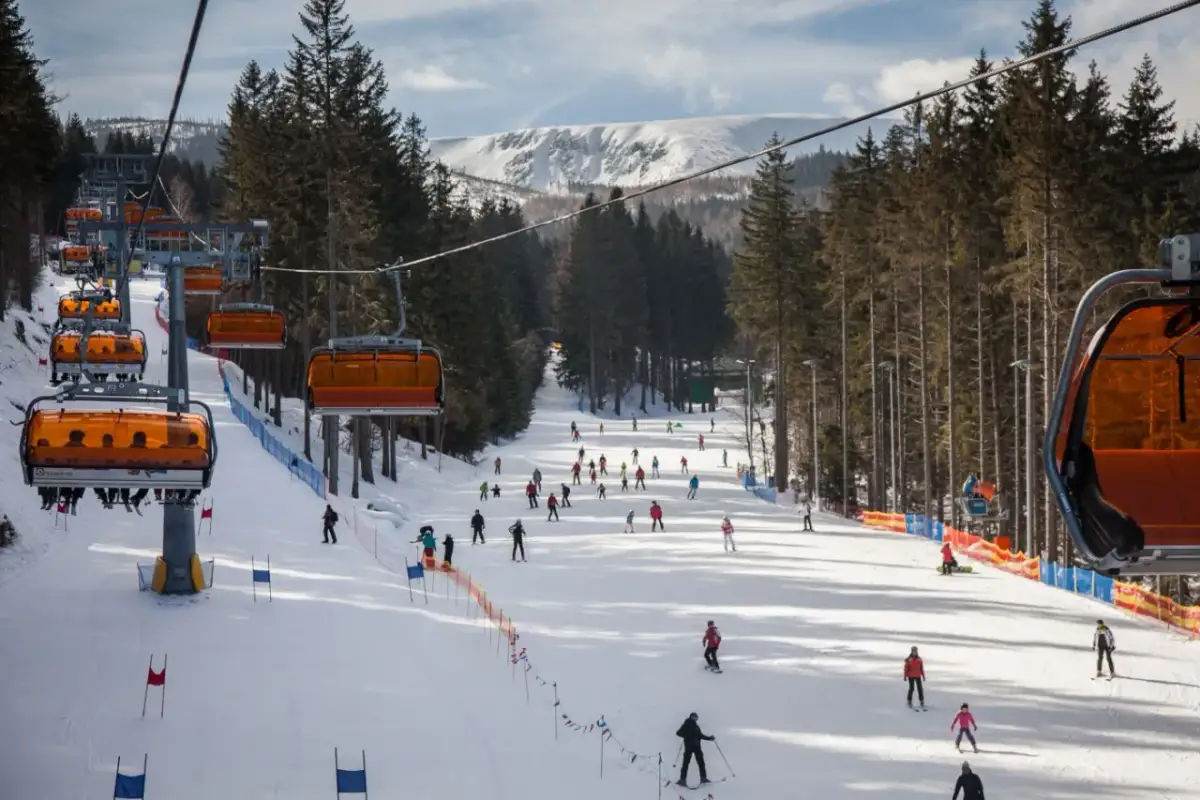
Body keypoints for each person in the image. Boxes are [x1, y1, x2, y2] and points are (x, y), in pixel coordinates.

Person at [675, 712, 714, 786]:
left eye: (696, 717)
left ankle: (703, 778)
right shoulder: (686, 724)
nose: (695, 719)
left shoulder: (696, 726)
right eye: (693, 717)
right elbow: (678, 733)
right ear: (690, 717)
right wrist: (687, 735)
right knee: (687, 764)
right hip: (689, 747)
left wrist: (709, 738)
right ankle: (683, 780)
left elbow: (700, 735)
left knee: (700, 763)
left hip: (696, 747)